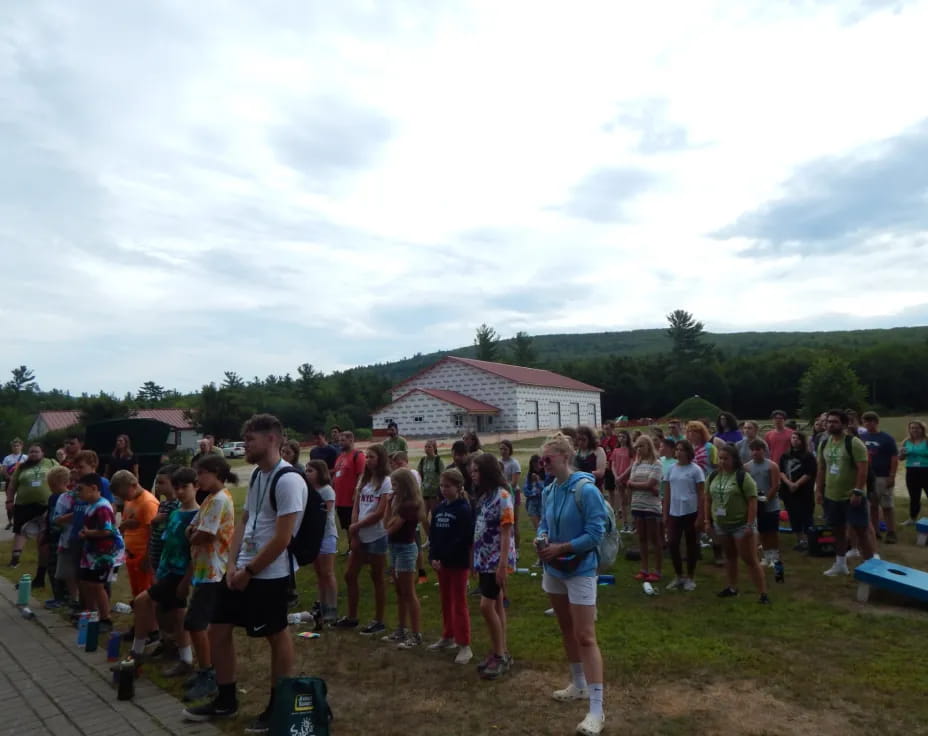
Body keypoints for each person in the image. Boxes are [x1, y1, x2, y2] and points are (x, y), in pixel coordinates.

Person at [184, 415, 307, 731]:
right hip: (240, 568)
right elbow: (245, 520)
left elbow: (283, 538)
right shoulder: (257, 476)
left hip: (269, 573)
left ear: (271, 439)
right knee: (218, 630)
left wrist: (250, 570)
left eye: (250, 439)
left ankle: (278, 705)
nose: (245, 444)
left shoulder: (289, 480)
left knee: (275, 635)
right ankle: (226, 700)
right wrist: (232, 563)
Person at [536, 434, 607, 736]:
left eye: (548, 459)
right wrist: (540, 538)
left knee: (586, 636)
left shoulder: (585, 489)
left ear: (565, 457)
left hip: (580, 569)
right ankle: (577, 684)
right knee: (566, 629)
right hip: (554, 569)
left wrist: (563, 547)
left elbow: (596, 533)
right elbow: (544, 522)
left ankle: (596, 708)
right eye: (542, 460)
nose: (543, 465)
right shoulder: (549, 489)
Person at [118, 467, 199, 678]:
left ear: (196, 487)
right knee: (175, 614)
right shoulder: (173, 513)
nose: (180, 491)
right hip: (166, 568)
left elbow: (194, 550)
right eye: (177, 487)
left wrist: (186, 578)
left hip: (178, 572)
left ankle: (137, 652)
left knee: (143, 601)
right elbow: (165, 541)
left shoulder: (195, 515)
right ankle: (183, 656)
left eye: (184, 487)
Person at [182, 456, 237, 702]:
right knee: (196, 622)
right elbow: (191, 529)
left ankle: (209, 674)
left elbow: (203, 534)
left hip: (213, 571)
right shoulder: (209, 500)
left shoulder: (220, 500)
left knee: (196, 623)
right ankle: (206, 669)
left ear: (215, 473)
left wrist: (194, 534)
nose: (197, 478)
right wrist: (193, 533)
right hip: (203, 570)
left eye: (201, 473)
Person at [336, 444, 392, 635]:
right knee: (350, 574)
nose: (368, 460)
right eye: (367, 457)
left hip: (376, 535)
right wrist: (354, 530)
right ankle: (352, 617)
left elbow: (379, 512)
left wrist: (357, 527)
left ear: (381, 459)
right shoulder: (363, 479)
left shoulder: (386, 481)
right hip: (360, 533)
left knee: (377, 577)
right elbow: (356, 507)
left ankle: (379, 620)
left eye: (372, 457)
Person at [470, 453, 516, 681]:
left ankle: (499, 654)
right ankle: (501, 650)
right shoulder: (485, 497)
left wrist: (502, 564)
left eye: (476, 471)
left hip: (495, 560)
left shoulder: (503, 496)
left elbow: (507, 532)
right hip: (484, 558)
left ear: (487, 472)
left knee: (486, 606)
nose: (473, 475)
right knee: (496, 605)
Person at [707, 445, 769, 603]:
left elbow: (752, 501)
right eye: (720, 458)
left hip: (741, 524)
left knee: (749, 559)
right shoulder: (714, 476)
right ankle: (732, 587)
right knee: (730, 557)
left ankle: (762, 593)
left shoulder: (742, 477)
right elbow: (707, 499)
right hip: (722, 524)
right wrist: (708, 521)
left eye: (726, 458)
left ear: (734, 459)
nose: (722, 461)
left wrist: (749, 525)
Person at [816, 410, 873, 576]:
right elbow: (821, 468)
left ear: (844, 424)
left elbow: (863, 469)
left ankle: (871, 568)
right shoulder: (824, 443)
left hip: (851, 495)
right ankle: (840, 564)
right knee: (837, 530)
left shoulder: (853, 443)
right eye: (828, 422)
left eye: (834, 422)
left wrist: (857, 491)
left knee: (861, 531)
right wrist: (819, 490)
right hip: (831, 495)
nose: (830, 425)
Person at [428, 468, 474, 664]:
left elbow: (463, 539)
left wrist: (445, 556)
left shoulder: (463, 509)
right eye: (442, 486)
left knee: (459, 603)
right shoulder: (439, 509)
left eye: (448, 486)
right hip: (442, 564)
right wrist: (433, 557)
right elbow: (434, 536)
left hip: (457, 563)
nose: (444, 490)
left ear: (459, 487)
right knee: (445, 601)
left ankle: (464, 644)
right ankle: (448, 636)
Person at [383, 468, 428, 648]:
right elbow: (386, 523)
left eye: (395, 484)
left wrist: (385, 529)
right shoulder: (397, 503)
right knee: (400, 592)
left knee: (408, 592)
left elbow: (391, 528)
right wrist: (387, 505)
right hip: (394, 548)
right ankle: (401, 629)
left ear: (404, 485)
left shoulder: (409, 505)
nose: (392, 488)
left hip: (406, 550)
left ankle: (416, 634)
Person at [77, 472, 124, 632]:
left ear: (93, 488)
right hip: (92, 552)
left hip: (105, 553)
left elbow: (107, 531)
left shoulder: (103, 507)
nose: (78, 493)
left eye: (80, 489)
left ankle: (105, 618)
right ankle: (90, 613)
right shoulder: (90, 505)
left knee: (98, 586)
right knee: (87, 583)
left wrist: (88, 533)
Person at [6, 443, 58, 574]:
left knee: (44, 532)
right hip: (23, 504)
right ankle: (15, 559)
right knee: (19, 530)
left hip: (45, 504)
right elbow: (12, 485)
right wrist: (9, 500)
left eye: (36, 452)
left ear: (43, 453)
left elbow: (62, 477)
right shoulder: (22, 467)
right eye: (31, 452)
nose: (33, 454)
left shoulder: (51, 463)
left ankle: (44, 562)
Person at [663, 440, 706, 592]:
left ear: (688, 452)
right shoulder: (671, 469)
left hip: (691, 511)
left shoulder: (696, 470)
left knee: (691, 545)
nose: (679, 452)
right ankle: (678, 575)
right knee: (673, 543)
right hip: (675, 512)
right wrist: (665, 513)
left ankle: (690, 576)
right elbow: (667, 492)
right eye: (677, 450)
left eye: (682, 450)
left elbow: (701, 494)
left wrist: (701, 515)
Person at [111, 470, 160, 600]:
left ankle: (148, 618)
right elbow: (128, 522)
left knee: (146, 593)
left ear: (133, 485)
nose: (124, 498)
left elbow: (153, 532)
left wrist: (147, 558)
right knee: (136, 592)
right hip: (131, 554)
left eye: (124, 494)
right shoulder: (130, 499)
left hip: (143, 555)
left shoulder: (148, 503)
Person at [306, 460, 338, 625]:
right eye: (306, 470)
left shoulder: (327, 491)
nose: (307, 473)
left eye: (310, 470)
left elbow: (324, 512)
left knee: (328, 572)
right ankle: (321, 605)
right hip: (313, 536)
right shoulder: (309, 490)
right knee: (319, 573)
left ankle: (332, 607)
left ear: (320, 472)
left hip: (326, 535)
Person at [745, 440, 783, 579]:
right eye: (753, 450)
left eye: (758, 449)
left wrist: (766, 498)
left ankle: (774, 555)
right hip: (756, 504)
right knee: (761, 531)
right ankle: (766, 555)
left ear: (764, 450)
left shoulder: (772, 466)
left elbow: (775, 485)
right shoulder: (747, 467)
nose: (755, 452)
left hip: (770, 505)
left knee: (771, 531)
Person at [628, 436, 663, 583]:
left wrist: (637, 485)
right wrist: (644, 485)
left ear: (648, 447)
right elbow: (630, 481)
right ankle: (644, 569)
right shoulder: (636, 464)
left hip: (651, 506)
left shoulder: (657, 464)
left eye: (641, 446)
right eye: (637, 447)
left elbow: (651, 483)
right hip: (637, 503)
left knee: (654, 539)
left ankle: (657, 570)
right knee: (641, 538)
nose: (639, 449)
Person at [860, 411, 899, 544]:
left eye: (871, 421)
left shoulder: (887, 438)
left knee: (887, 505)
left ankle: (891, 531)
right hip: (868, 475)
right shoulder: (862, 437)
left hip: (883, 475)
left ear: (876, 422)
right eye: (866, 421)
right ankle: (875, 531)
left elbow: (894, 458)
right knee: (873, 505)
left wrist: (892, 475)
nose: (868, 424)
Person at [778, 432, 816, 551]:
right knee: (794, 515)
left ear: (802, 441)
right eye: (793, 438)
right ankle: (800, 539)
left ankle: (810, 539)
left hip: (804, 491)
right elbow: (781, 471)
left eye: (798, 438)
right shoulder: (785, 455)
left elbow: (809, 473)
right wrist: (789, 483)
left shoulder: (808, 456)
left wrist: (797, 484)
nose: (795, 440)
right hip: (788, 491)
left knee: (806, 515)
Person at [43, 466, 72, 608]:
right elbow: (49, 517)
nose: (51, 488)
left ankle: (64, 597)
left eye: (53, 485)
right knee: (52, 568)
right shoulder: (52, 498)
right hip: (52, 537)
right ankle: (57, 596)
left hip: (62, 537)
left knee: (61, 569)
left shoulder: (69, 498)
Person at [332, 431, 366, 537]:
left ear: (351, 440)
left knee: (353, 524)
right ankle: (350, 547)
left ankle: (356, 549)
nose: (340, 443)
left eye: (343, 440)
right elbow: (336, 474)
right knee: (346, 525)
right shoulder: (340, 457)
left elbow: (362, 475)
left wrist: (356, 492)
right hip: (340, 499)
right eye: (339, 441)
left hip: (351, 499)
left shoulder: (358, 455)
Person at [900, 421, 928, 526]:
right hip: (911, 471)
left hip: (926, 470)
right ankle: (912, 518)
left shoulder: (927, 440)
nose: (914, 430)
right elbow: (901, 458)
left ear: (922, 429)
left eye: (917, 428)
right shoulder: (906, 441)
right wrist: (901, 453)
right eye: (912, 428)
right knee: (914, 496)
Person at [499, 439, 523, 547]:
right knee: (504, 521)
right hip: (501, 494)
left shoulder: (514, 463)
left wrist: (505, 487)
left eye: (505, 449)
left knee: (514, 521)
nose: (503, 451)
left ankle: (516, 548)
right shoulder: (498, 463)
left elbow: (514, 483)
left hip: (513, 494)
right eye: (501, 449)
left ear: (510, 450)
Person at [609, 431, 632, 531]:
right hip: (618, 479)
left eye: (623, 436)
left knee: (630, 500)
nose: (621, 438)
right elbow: (613, 464)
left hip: (628, 478)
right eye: (620, 436)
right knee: (622, 501)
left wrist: (622, 476)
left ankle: (633, 523)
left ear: (627, 438)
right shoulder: (616, 450)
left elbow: (631, 465)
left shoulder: (631, 450)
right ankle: (625, 523)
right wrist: (616, 476)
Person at [2, 438, 27, 531]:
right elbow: (4, 471)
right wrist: (10, 478)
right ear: (11, 447)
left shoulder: (25, 457)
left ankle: (22, 520)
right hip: (10, 482)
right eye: (14, 446)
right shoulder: (7, 458)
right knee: (9, 502)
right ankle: (10, 522)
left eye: (18, 445)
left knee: (23, 501)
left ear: (21, 446)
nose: (16, 447)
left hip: (22, 482)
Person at [417, 439, 445, 516]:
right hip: (425, 491)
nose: (427, 449)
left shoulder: (438, 460)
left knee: (434, 513)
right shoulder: (423, 460)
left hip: (434, 492)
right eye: (425, 447)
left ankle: (433, 528)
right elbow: (419, 473)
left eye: (429, 447)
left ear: (434, 448)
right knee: (423, 514)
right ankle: (424, 528)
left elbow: (443, 475)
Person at [523, 454, 546, 543]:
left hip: (542, 503)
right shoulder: (529, 476)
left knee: (543, 527)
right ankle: (541, 546)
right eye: (534, 465)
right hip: (532, 503)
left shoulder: (546, 475)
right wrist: (532, 493)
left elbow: (545, 490)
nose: (536, 467)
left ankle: (544, 545)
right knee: (537, 528)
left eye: (538, 464)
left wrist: (537, 482)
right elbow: (525, 490)